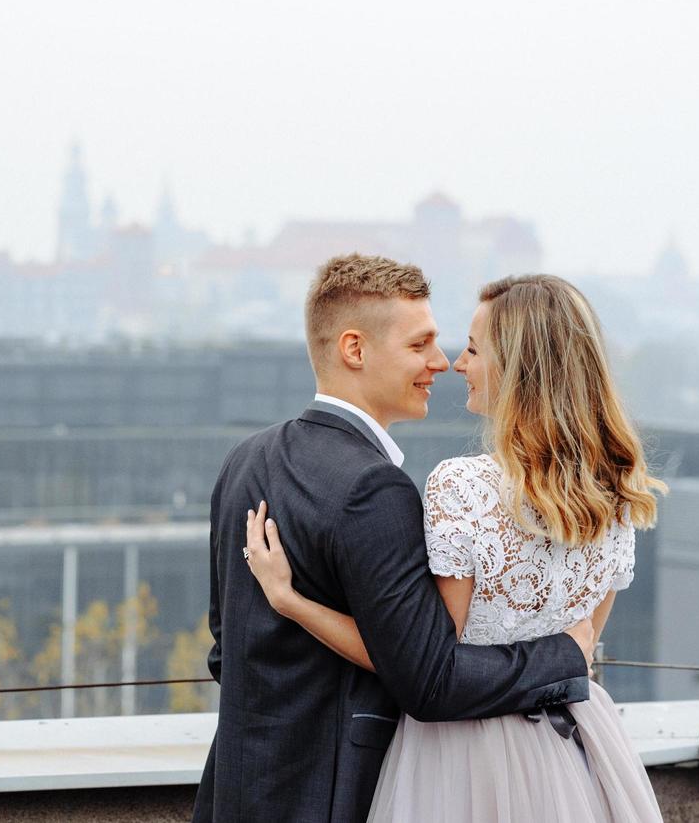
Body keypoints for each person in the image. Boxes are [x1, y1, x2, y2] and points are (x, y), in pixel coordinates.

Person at [245, 273, 666, 822]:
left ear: (519, 368)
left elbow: (420, 666)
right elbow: (580, 651)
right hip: (576, 751)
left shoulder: (462, 488)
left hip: (466, 756)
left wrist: (292, 602)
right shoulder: (613, 496)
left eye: (472, 349)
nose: (455, 364)